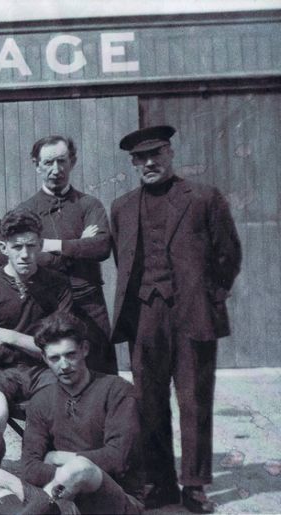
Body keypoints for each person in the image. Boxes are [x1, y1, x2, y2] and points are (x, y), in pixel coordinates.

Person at [111, 125, 241, 513]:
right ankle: (159, 481)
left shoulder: (203, 197)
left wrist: (208, 297)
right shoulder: (122, 206)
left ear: (170, 154)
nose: (150, 163)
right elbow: (124, 258)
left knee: (194, 401)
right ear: (133, 163)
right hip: (144, 315)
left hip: (192, 315)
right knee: (148, 402)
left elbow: (228, 255)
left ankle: (195, 485)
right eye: (141, 157)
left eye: (157, 154)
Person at [0, 312, 144, 515]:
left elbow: (117, 459)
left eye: (70, 355)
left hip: (112, 500)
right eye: (55, 358)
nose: (64, 365)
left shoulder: (117, 390)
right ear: (44, 358)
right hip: (62, 496)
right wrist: (64, 474)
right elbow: (29, 468)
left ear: (84, 349)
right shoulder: (41, 400)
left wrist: (58, 457)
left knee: (81, 468)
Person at [0, 209, 73, 467]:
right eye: (17, 247)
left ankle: (43, 477)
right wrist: (38, 343)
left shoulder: (58, 284)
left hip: (44, 371)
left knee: (58, 413)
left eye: (31, 246)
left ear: (40, 245)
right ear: (4, 248)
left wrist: (9, 336)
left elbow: (59, 346)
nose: (25, 254)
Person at [17, 136, 117, 374]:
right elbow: (27, 257)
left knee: (100, 372)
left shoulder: (89, 204)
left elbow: (101, 247)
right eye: (49, 162)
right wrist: (80, 244)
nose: (56, 170)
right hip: (46, 304)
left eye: (62, 161)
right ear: (36, 164)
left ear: (72, 161)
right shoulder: (26, 210)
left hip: (89, 302)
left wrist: (51, 244)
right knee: (53, 373)